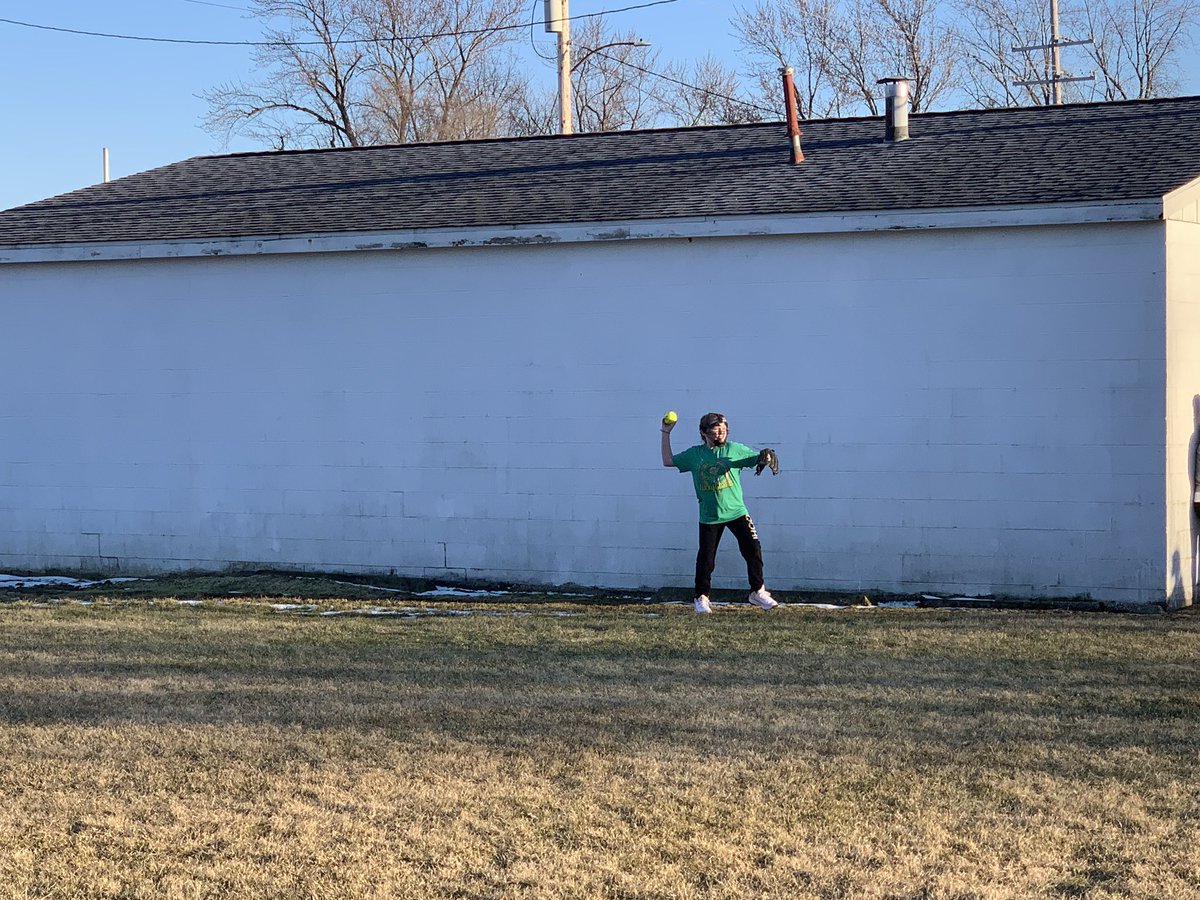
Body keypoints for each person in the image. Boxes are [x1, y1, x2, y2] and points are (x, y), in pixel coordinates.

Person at [661, 412, 779, 614]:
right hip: (710, 516)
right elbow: (668, 460)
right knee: (706, 558)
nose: (720, 432)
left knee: (753, 549)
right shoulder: (695, 455)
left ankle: (757, 592)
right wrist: (665, 432)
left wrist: (765, 456)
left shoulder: (734, 449)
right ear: (703, 433)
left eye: (723, 428)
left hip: (737, 512)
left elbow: (755, 458)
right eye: (715, 429)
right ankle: (701, 598)